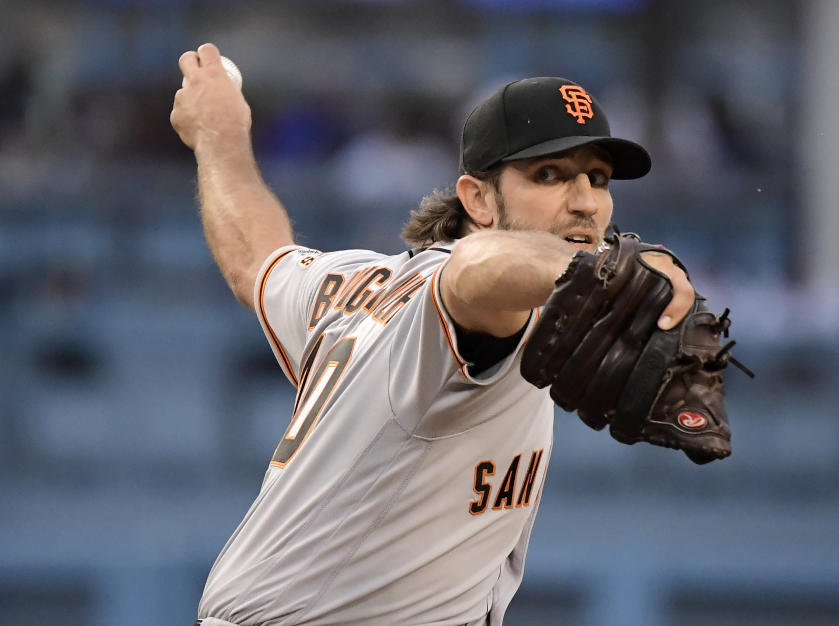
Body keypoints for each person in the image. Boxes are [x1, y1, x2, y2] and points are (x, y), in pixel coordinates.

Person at [171, 43, 694, 626]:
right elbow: (475, 271)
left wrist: (219, 134)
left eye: (597, 178)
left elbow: (256, 260)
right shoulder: (473, 300)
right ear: (478, 199)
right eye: (548, 175)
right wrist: (601, 273)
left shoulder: (350, 283)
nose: (585, 203)